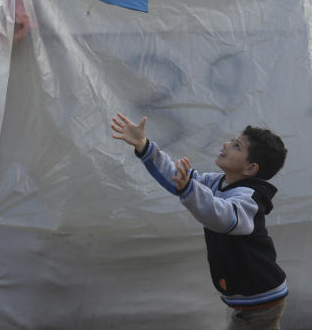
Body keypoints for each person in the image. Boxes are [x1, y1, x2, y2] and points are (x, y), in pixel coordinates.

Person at [111, 112, 289, 330]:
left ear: (250, 168)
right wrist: (144, 146)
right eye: (232, 141)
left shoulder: (250, 199)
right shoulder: (215, 182)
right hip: (249, 297)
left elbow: (221, 216)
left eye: (236, 146)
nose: (226, 144)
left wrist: (188, 188)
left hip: (262, 299)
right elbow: (178, 178)